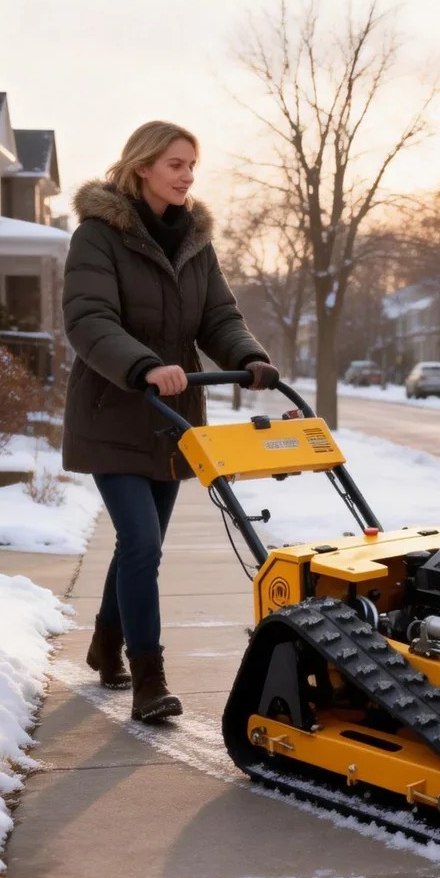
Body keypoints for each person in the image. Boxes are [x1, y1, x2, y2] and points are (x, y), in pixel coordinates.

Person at [61, 120, 278, 724]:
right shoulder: (97, 236)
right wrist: (145, 366)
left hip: (172, 419)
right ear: (142, 167)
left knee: (141, 545)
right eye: (176, 165)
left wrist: (247, 357)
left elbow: (218, 317)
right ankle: (148, 678)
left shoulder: (195, 242)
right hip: (113, 410)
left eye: (191, 166)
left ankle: (105, 644)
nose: (187, 177)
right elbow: (88, 319)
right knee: (141, 543)